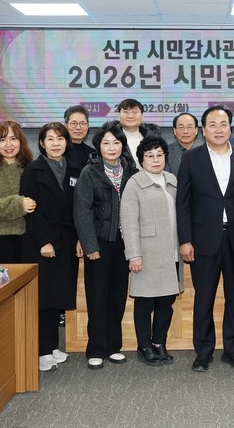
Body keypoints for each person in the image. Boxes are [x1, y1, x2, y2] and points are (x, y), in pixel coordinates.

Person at [176, 105, 234, 372]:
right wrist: (185, 239)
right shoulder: (191, 158)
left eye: (223, 124)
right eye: (212, 125)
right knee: (204, 298)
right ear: (203, 130)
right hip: (203, 240)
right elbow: (183, 203)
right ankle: (203, 352)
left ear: (230, 128)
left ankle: (233, 351)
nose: (218, 129)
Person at [74, 121, 138, 370]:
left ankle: (113, 346)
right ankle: (96, 348)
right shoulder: (90, 172)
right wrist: (90, 245)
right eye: (106, 143)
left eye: (116, 142)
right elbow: (82, 211)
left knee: (118, 295)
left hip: (125, 242)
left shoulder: (131, 170)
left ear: (122, 145)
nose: (111, 147)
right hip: (100, 243)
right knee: (97, 296)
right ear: (98, 146)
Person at [20, 123, 82, 372]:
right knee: (43, 298)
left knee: (59, 295)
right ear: (42, 143)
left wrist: (80, 238)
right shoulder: (32, 171)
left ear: (67, 142)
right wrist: (43, 240)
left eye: (60, 139)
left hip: (67, 240)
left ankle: (53, 346)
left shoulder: (75, 169)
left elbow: (80, 207)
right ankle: (42, 351)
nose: (56, 143)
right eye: (50, 139)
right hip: (42, 241)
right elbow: (30, 210)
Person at [121, 136, 183, 366]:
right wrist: (134, 254)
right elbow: (128, 222)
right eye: (149, 156)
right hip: (147, 253)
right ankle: (144, 345)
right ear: (141, 159)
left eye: (159, 155)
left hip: (171, 251)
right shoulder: (134, 183)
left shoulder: (172, 179)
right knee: (145, 303)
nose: (155, 159)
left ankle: (159, 342)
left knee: (166, 302)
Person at [0, 120, 36, 264]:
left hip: (27, 238)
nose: (8, 144)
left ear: (21, 141)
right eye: (2, 140)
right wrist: (18, 204)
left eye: (13, 138)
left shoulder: (29, 167)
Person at [116, 98, 160, 166]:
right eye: (126, 112)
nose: (130, 116)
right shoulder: (112, 137)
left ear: (142, 115)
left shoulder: (153, 137)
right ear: (119, 115)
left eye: (135, 112)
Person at [165, 112, 199, 176]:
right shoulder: (165, 152)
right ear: (174, 131)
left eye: (189, 127)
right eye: (181, 127)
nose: (185, 131)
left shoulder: (204, 152)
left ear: (196, 130)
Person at [64, 104, 96, 171]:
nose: (78, 127)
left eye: (82, 123)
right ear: (66, 125)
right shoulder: (59, 151)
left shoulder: (92, 153)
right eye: (74, 123)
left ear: (88, 126)